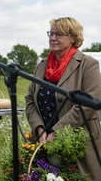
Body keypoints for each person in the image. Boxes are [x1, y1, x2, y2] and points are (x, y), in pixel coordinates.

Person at [25, 17, 101, 180]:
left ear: (73, 37)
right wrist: (39, 128)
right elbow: (30, 100)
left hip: (81, 142)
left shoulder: (87, 64)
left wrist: (57, 131)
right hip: (46, 143)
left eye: (58, 34)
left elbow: (88, 104)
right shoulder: (42, 65)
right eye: (50, 34)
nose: (52, 38)